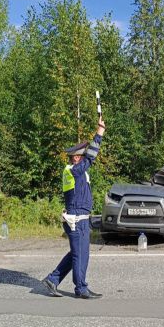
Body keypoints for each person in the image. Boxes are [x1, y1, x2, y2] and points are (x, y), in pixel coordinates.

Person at [42, 117, 106, 299]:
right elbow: (92, 156)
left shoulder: (76, 171)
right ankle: (81, 288)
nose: (85, 158)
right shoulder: (74, 170)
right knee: (80, 256)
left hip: (79, 219)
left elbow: (90, 158)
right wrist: (99, 133)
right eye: (82, 156)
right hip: (77, 220)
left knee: (77, 254)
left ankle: (53, 279)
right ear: (77, 157)